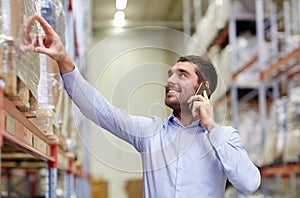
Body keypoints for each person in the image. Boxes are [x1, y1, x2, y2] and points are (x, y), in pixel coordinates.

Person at [22, 14, 261, 197]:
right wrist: (64, 60)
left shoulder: (224, 137)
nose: (169, 81)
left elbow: (249, 184)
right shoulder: (150, 132)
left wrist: (211, 127)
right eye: (170, 74)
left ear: (203, 88)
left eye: (182, 75)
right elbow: (101, 111)